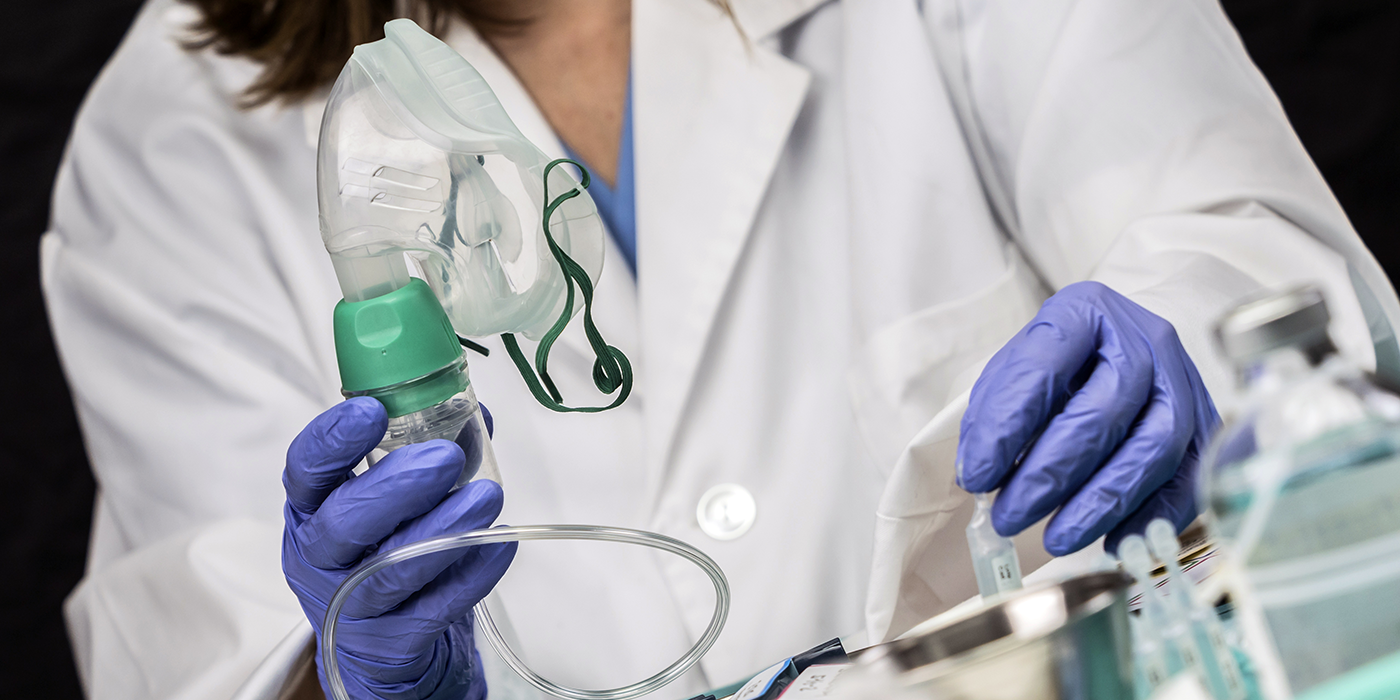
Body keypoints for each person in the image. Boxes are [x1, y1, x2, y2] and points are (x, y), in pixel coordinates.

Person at [41, 0, 1399, 698]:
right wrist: (346, 679)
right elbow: (208, 661)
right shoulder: (172, 139)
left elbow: (1246, 241)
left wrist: (1207, 371)